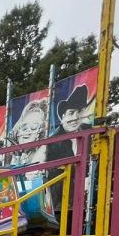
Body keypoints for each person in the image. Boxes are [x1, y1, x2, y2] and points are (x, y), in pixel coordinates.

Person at [46, 85, 92, 216]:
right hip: (61, 203)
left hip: (87, 200)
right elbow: (52, 175)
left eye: (80, 112)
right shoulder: (53, 143)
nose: (75, 117)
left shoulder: (89, 134)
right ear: (62, 116)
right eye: (71, 113)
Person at [9, 99, 49, 182]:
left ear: (40, 132)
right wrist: (17, 156)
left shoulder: (43, 150)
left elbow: (30, 180)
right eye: (24, 127)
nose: (28, 131)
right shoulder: (11, 154)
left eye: (34, 127)